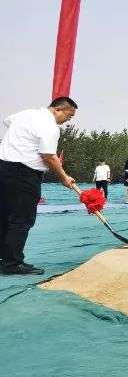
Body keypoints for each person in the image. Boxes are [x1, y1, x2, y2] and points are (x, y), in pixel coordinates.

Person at [0, 97, 78, 275]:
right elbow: (49, 156)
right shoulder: (50, 126)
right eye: (69, 116)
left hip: (3, 168)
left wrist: (22, 138)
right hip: (24, 174)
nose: (68, 120)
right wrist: (64, 178)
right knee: (21, 218)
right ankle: (12, 264)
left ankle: (4, 259)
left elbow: (7, 121)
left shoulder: (25, 114)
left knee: (4, 215)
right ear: (58, 110)